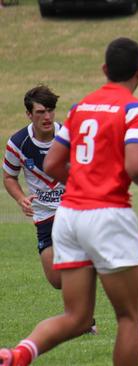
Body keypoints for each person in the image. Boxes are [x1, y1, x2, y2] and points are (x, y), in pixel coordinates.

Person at [0, 37, 138, 366]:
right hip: (106, 214)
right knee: (130, 316)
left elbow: (52, 165)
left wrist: (84, 183)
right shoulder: (137, 111)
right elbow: (136, 165)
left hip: (69, 216)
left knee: (77, 317)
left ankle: (18, 355)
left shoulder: (81, 108)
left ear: (104, 70)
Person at [3, 85, 65, 290]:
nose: (47, 116)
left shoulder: (69, 137)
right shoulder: (18, 143)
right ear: (29, 114)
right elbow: (9, 176)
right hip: (44, 214)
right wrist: (21, 198)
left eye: (50, 110)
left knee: (77, 270)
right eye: (40, 112)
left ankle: (86, 321)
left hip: (73, 211)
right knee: (57, 281)